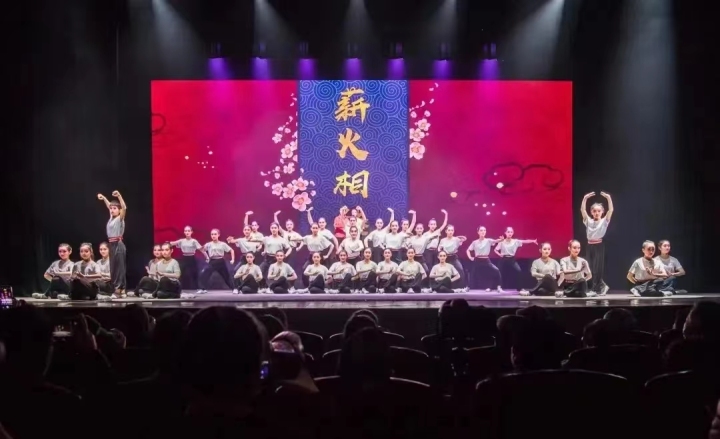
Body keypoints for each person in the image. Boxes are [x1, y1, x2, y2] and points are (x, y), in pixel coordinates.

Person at [581, 191, 614, 295]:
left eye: (599, 211)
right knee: (589, 267)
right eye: (594, 211)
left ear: (602, 212)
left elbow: (611, 210)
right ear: (591, 212)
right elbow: (582, 210)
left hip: (598, 245)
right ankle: (599, 286)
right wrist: (585, 198)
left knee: (597, 268)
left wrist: (608, 198)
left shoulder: (604, 221)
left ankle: (597, 288)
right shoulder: (588, 221)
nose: (596, 213)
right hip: (589, 245)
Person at [97, 190, 127, 297]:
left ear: (119, 211)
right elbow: (109, 206)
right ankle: (121, 290)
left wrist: (119, 196)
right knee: (114, 268)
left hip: (118, 244)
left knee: (119, 268)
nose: (112, 210)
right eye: (111, 208)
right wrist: (104, 198)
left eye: (114, 208)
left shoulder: (120, 218)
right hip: (111, 245)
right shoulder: (111, 218)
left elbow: (124, 207)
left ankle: (119, 290)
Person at [494, 227, 538, 292]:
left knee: (519, 271)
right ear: (505, 233)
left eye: (511, 232)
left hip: (512, 259)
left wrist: (533, 241)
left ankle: (520, 288)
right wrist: (500, 254)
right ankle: (499, 287)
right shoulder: (502, 242)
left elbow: (524, 241)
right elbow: (495, 250)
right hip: (503, 259)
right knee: (500, 272)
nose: (510, 233)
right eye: (508, 232)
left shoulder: (515, 241)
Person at [170, 226, 208, 295]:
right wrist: (166, 244)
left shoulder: (194, 241)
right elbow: (173, 243)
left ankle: (201, 288)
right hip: (184, 258)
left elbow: (201, 249)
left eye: (188, 231)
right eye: (185, 231)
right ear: (184, 232)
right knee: (179, 273)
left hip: (191, 258)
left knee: (195, 274)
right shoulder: (182, 241)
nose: (187, 232)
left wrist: (207, 257)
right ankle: (175, 288)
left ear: (191, 232)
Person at [466, 226, 503, 292]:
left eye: (484, 230)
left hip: (486, 260)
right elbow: (468, 250)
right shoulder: (475, 242)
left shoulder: (488, 240)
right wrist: (470, 257)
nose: (483, 232)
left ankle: (498, 287)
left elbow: (496, 241)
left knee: (496, 270)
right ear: (478, 232)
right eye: (481, 230)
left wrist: (501, 239)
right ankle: (468, 287)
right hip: (477, 260)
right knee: (472, 273)